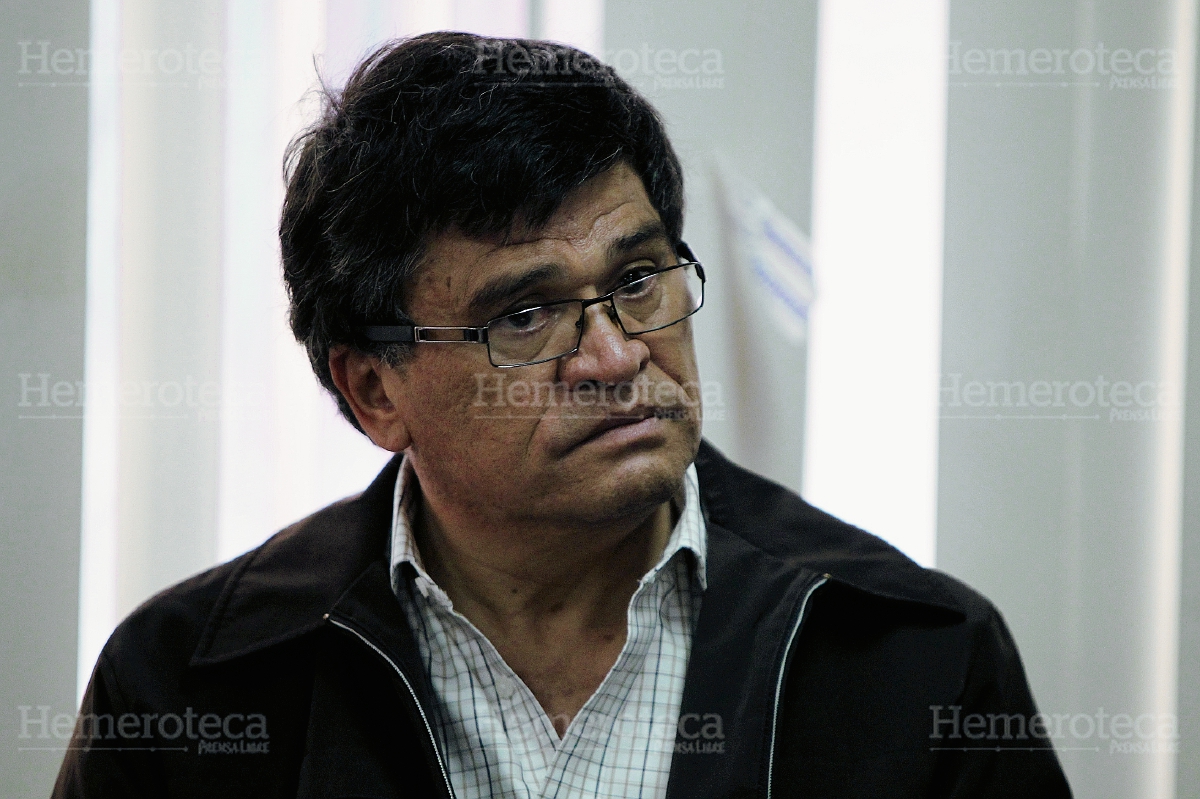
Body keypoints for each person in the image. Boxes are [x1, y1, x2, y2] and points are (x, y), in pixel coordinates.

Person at [55, 32, 1071, 798]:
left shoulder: (917, 657)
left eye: (639, 278)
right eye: (525, 313)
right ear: (375, 390)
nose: (617, 354)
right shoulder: (188, 691)